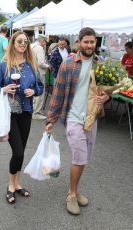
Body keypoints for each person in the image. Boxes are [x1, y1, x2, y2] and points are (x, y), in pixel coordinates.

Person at [45, 27, 109, 215]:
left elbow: (106, 92)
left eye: (92, 42)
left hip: (91, 118)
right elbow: (58, 93)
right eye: (86, 42)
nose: (89, 45)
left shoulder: (101, 64)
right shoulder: (69, 64)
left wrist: (106, 98)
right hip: (73, 118)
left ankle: (75, 189)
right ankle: (71, 194)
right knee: (79, 158)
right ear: (79, 42)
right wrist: (51, 119)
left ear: (95, 42)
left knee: (84, 159)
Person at [0, 31, 43, 204]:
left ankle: (17, 183)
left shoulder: (31, 65)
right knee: (19, 152)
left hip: (26, 112)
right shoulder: (4, 65)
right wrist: (3, 90)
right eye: (19, 41)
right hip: (9, 114)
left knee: (20, 152)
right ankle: (10, 186)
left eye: (25, 41)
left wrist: (33, 91)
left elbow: (40, 87)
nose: (23, 44)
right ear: (13, 43)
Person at [31, 34, 50, 120]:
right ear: (42, 40)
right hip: (39, 72)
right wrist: (48, 66)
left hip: (32, 71)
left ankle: (33, 110)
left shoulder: (32, 46)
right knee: (40, 92)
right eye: (45, 42)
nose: (46, 44)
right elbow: (41, 63)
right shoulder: (39, 48)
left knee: (34, 91)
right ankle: (37, 112)